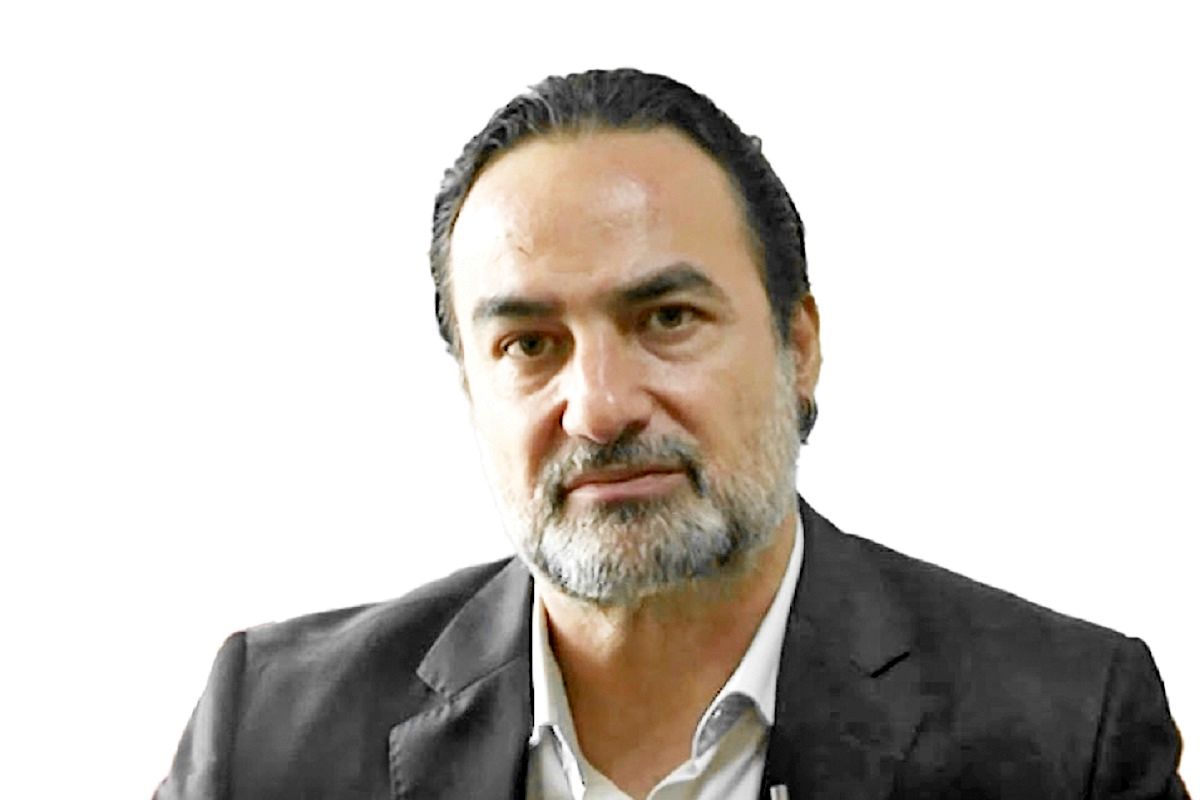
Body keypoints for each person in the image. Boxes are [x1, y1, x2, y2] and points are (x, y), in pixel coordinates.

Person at [156, 68, 1188, 800]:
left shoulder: (1065, 735)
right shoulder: (270, 735)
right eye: (529, 344)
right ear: (470, 387)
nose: (600, 407)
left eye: (666, 319)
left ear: (798, 347)